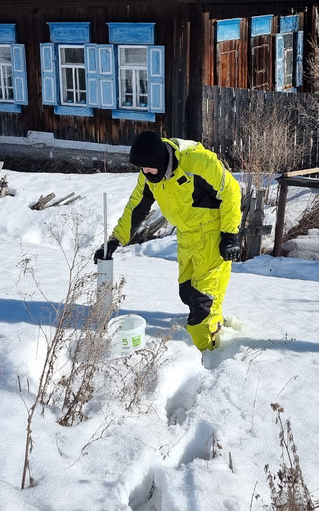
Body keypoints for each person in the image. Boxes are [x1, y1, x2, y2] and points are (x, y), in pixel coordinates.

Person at [95, 131, 242, 351]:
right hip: (186, 235)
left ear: (161, 160)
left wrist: (230, 235)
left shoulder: (197, 163)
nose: (145, 172)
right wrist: (115, 240)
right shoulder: (148, 174)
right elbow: (136, 207)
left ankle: (207, 355)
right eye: (141, 169)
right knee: (188, 293)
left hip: (212, 235)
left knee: (203, 301)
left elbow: (231, 191)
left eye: (149, 167)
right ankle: (213, 325)